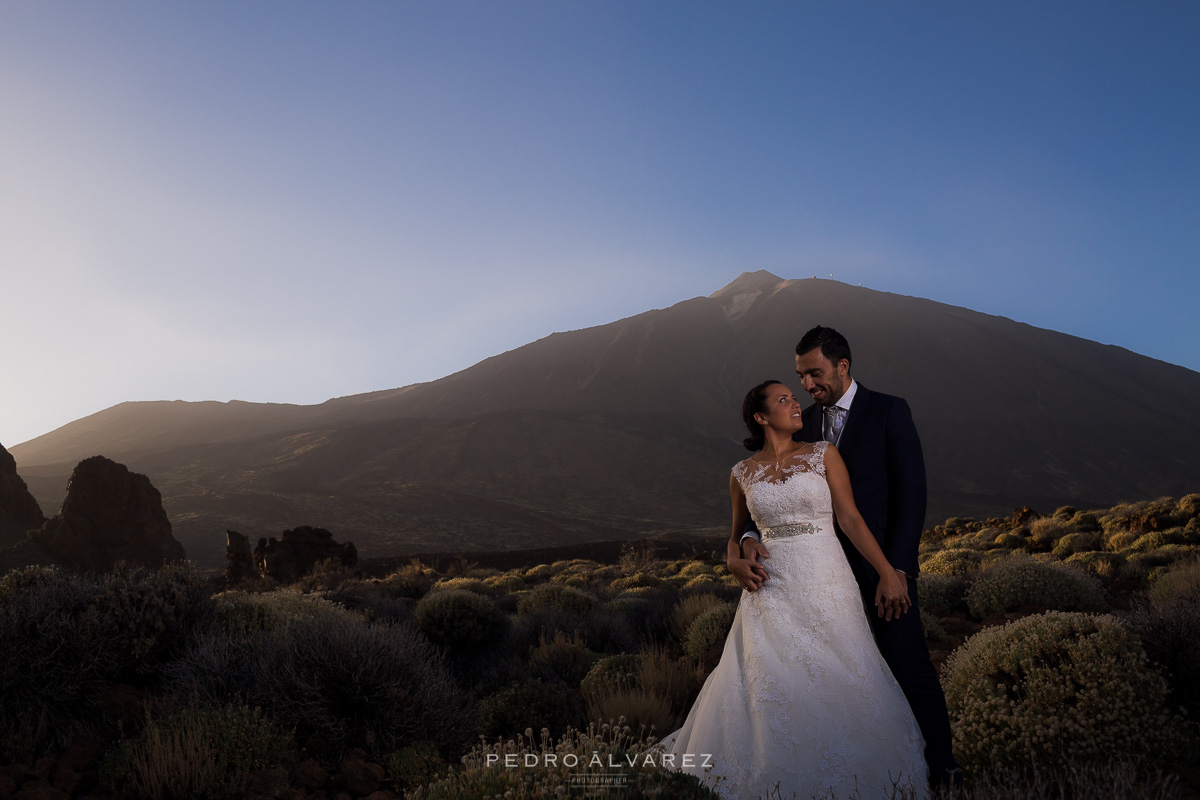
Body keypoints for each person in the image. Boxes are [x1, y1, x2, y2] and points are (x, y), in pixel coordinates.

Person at [662, 380, 928, 800]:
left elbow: (851, 519)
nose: (796, 403)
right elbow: (735, 534)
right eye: (784, 399)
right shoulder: (741, 473)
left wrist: (887, 572)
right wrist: (733, 557)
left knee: (839, 666)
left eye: (794, 396)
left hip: (825, 578)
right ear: (761, 416)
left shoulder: (824, 454)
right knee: (771, 677)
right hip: (769, 587)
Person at [739, 325, 960, 792]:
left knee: (908, 665)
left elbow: (910, 494)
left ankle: (943, 770)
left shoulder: (888, 411)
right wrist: (745, 540)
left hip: (882, 571)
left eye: (814, 374)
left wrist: (896, 570)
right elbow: (769, 502)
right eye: (800, 377)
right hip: (819, 578)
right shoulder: (803, 424)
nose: (806, 386)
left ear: (842, 366)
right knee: (838, 678)